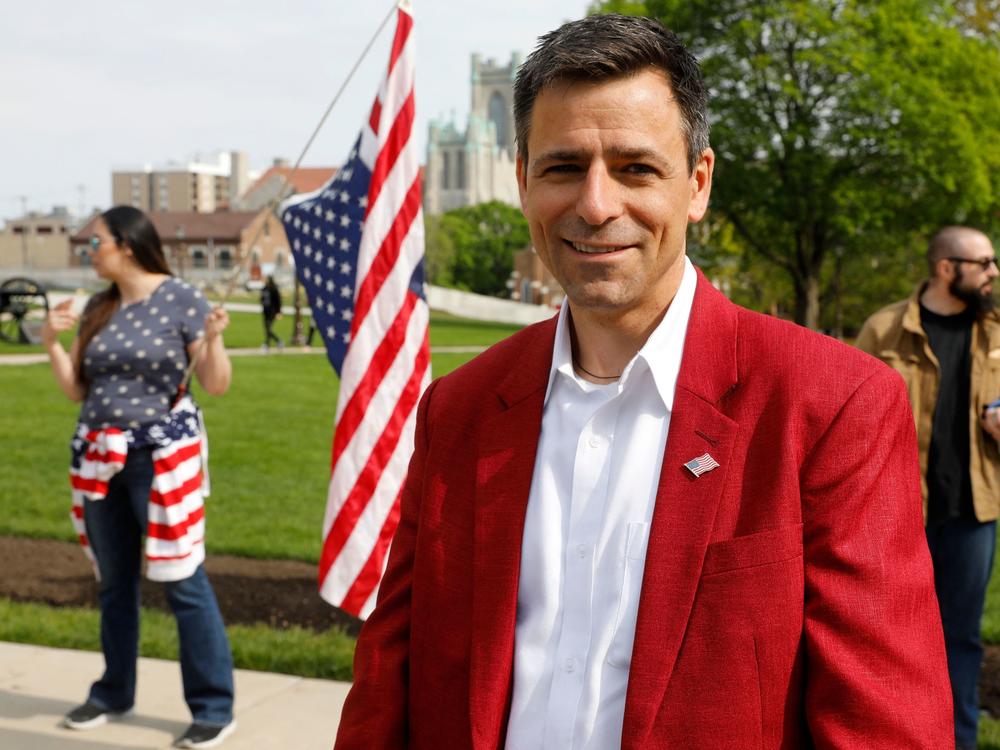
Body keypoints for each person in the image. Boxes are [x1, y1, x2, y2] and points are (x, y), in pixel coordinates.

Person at [334, 14, 953, 749]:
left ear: (697, 183)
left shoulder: (829, 404)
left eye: (635, 168)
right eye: (563, 167)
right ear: (523, 175)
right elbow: (387, 685)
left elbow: (885, 726)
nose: (596, 205)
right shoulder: (460, 408)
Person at [42, 205, 237, 749]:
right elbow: (78, 391)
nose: (90, 252)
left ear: (126, 243)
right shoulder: (99, 308)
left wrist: (215, 338)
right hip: (99, 460)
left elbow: (215, 385)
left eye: (96, 242)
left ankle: (213, 706)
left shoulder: (181, 299)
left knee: (182, 581)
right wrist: (51, 344)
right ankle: (113, 692)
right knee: (113, 581)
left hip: (160, 460)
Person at [857, 226, 1000, 749]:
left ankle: (957, 739)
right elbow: (851, 419)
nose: (993, 272)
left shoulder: (997, 331)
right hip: (897, 515)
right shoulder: (884, 329)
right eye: (984, 262)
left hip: (972, 514)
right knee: (888, 636)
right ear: (947, 268)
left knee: (960, 640)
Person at [260, 275, 283, 350]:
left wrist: (279, 312)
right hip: (265, 311)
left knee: (268, 328)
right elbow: (262, 298)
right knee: (267, 328)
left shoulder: (274, 289)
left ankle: (268, 344)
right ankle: (276, 342)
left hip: (272, 312)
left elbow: (278, 301)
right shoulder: (264, 289)